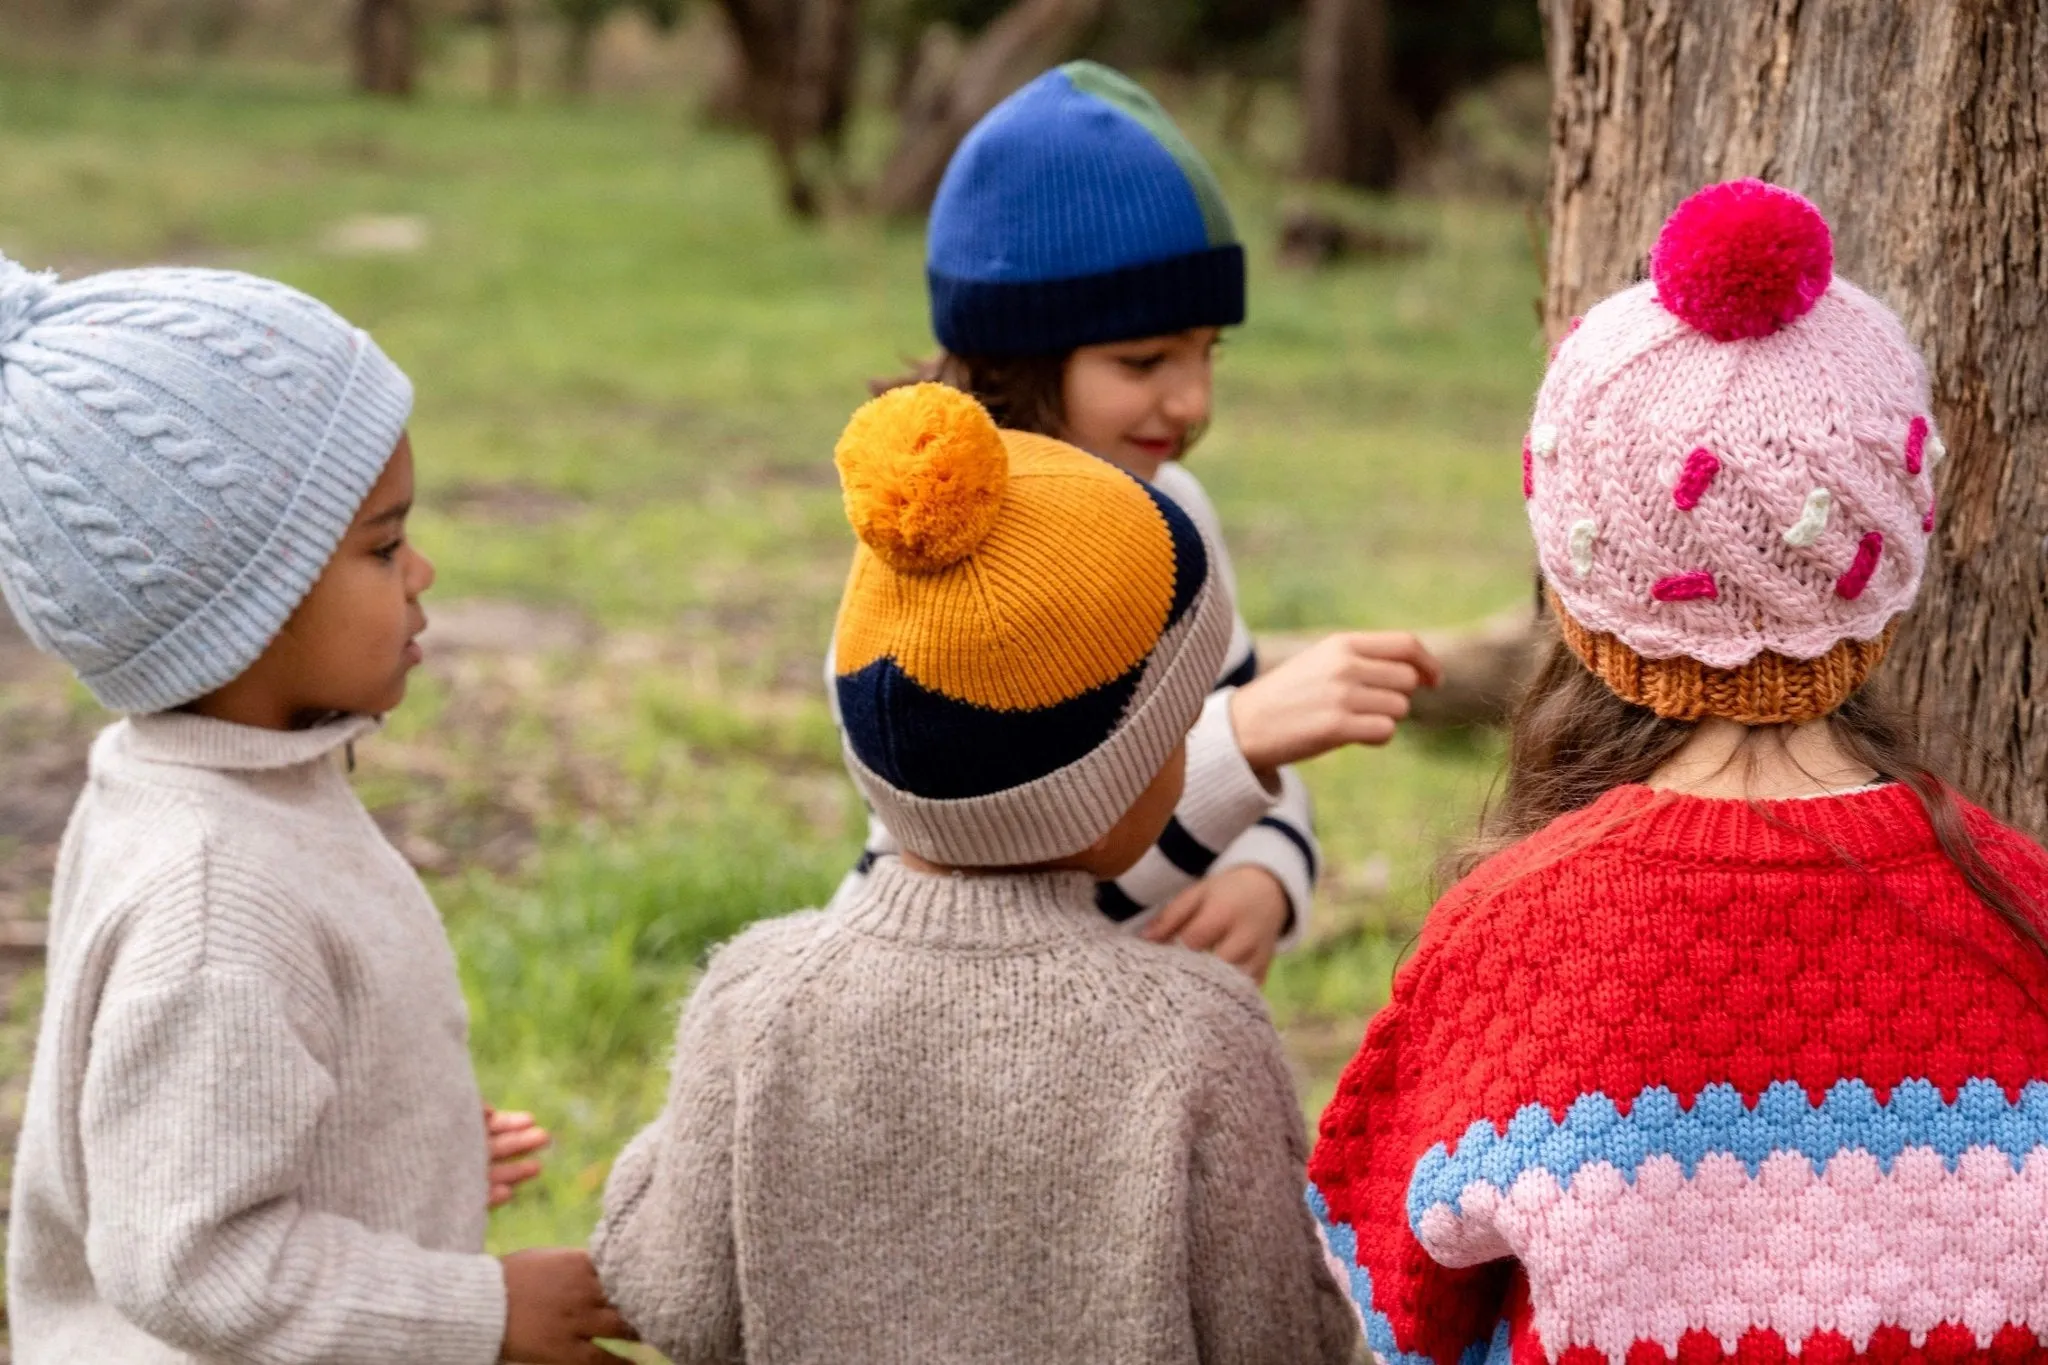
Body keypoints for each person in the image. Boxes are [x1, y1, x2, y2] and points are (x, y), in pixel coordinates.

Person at [1308, 180, 2048, 1365]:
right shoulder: (2025, 921)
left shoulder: (1506, 947)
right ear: (1882, 565)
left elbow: (1398, 1309)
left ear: (1578, 582)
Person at [593, 382, 1359, 1364]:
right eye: (1177, 729)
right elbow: (1283, 1342)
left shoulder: (752, 1002)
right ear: (1111, 780)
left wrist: (649, 1180)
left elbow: (679, 1300)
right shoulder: (1201, 1041)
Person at [0, 256, 629, 1365]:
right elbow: (188, 1261)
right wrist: (480, 1312)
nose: (422, 570)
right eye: (382, 546)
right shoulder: (212, 889)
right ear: (236, 609)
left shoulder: (200, 781)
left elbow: (201, 1113)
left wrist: (394, 1154)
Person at [837, 61, 1441, 981]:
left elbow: (1255, 752)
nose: (1192, 398)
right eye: (1144, 358)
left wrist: (1265, 874)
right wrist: (1239, 742)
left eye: (1209, 352)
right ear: (1020, 356)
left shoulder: (1173, 516)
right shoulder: (941, 569)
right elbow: (1011, 876)